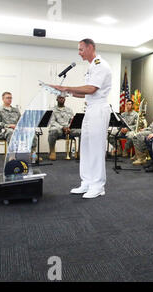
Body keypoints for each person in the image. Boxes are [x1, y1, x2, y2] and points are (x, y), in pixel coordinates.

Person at [49, 38, 112, 199]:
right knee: (86, 147)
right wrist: (64, 92)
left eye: (81, 49)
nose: (79, 53)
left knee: (96, 148)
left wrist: (66, 87)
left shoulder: (100, 65)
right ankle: (87, 182)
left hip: (99, 108)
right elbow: (84, 92)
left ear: (91, 47)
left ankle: (98, 186)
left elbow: (91, 89)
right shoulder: (91, 67)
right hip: (90, 109)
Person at [131, 94, 153, 165]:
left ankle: (142, 158)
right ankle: (139, 154)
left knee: (138, 135)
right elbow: (152, 125)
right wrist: (145, 129)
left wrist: (149, 131)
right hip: (152, 130)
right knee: (135, 135)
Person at [48, 95, 81, 160]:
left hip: (69, 130)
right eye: (60, 98)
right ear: (57, 99)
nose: (61, 99)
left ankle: (80, 152)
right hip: (58, 130)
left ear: (65, 99)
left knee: (81, 131)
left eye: (63, 98)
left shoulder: (69, 110)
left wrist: (69, 127)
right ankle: (52, 151)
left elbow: (72, 120)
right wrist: (62, 128)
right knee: (52, 131)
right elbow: (52, 122)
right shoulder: (52, 110)